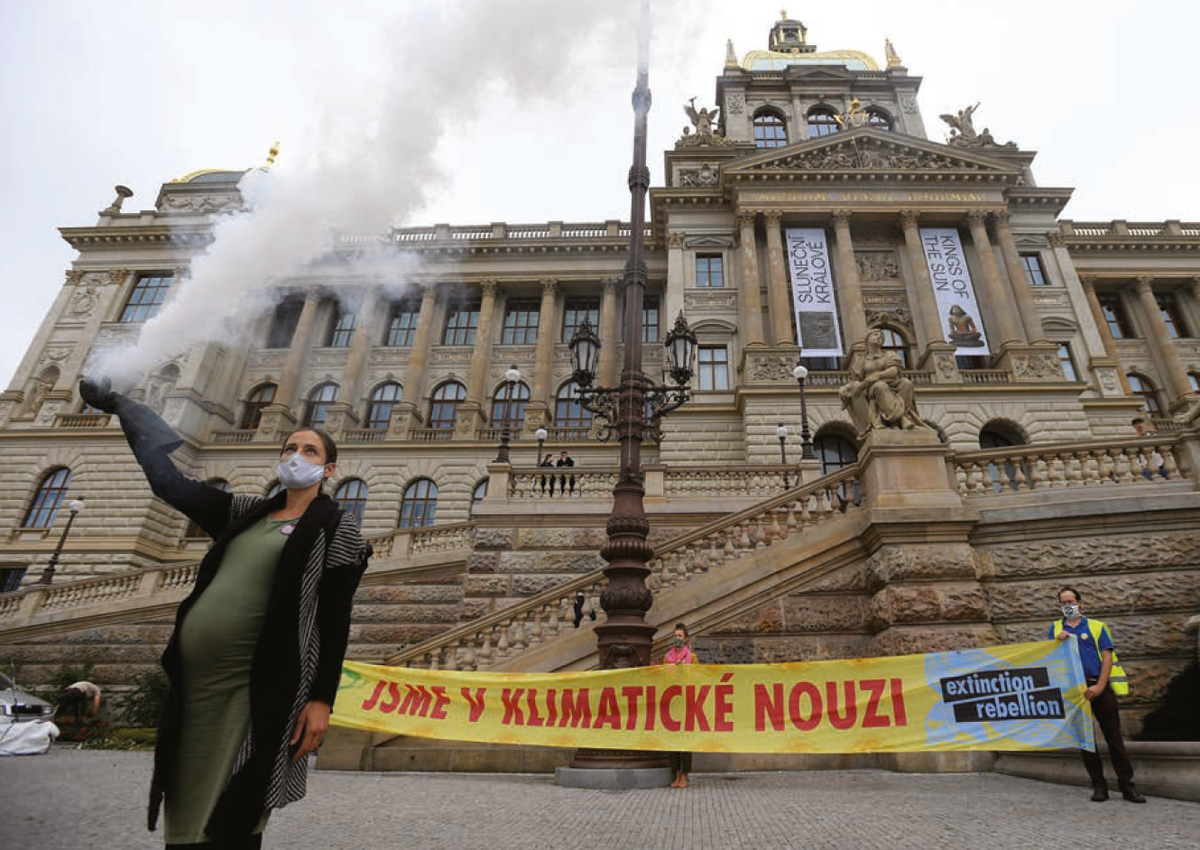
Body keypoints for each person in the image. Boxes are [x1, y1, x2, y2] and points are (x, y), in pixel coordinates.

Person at [80, 377, 370, 849]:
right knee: (187, 808)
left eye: (310, 451)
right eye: (290, 447)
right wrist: (122, 409)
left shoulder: (337, 528)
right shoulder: (246, 512)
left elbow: (335, 621)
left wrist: (322, 700)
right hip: (199, 690)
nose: (296, 455)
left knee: (236, 810)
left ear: (329, 468)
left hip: (258, 689)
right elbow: (168, 484)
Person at [1050, 587, 1146, 804]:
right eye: (1063, 602)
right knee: (1086, 742)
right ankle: (1099, 785)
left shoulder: (1096, 627)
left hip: (1098, 687)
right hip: (1075, 692)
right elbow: (1050, 658)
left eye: (1071, 601)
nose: (1068, 606)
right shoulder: (1056, 628)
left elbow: (1107, 659)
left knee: (1114, 739)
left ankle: (1127, 786)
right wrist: (1056, 641)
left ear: (1080, 603)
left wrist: (1100, 686)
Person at [839, 329, 929, 437]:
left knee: (907, 384)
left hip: (892, 383)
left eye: (881, 336)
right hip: (872, 388)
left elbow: (894, 371)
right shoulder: (862, 361)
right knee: (880, 386)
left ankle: (902, 418)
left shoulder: (889, 354)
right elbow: (856, 381)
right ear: (867, 339)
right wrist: (845, 388)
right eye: (875, 335)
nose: (879, 337)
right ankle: (901, 419)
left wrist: (877, 375)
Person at [663, 623, 696, 788]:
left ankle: (685, 775)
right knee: (673, 741)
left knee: (686, 741)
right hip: (672, 704)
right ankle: (676, 773)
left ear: (686, 639)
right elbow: (662, 677)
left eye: (680, 636)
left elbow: (697, 678)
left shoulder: (691, 657)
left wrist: (685, 669)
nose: (677, 638)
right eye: (675, 635)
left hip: (687, 703)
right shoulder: (667, 657)